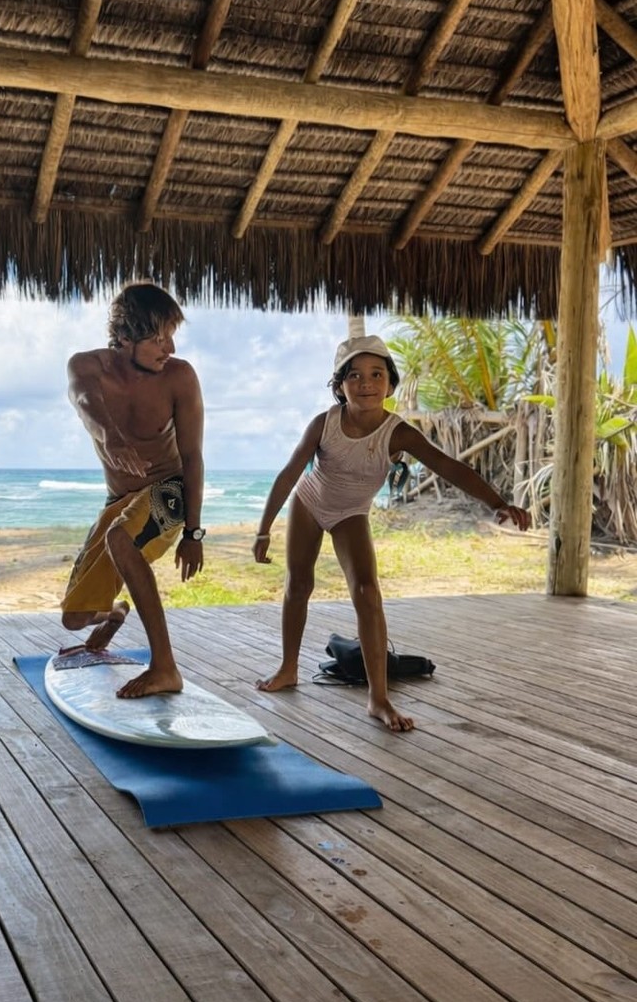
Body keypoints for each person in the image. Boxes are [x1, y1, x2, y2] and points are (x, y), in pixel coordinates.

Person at [252, 335, 530, 731]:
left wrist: (497, 503)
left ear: (390, 383)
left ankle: (378, 697)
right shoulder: (324, 424)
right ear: (340, 385)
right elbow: (289, 475)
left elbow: (449, 466)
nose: (366, 383)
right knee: (298, 585)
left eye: (376, 374)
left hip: (351, 512)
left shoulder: (397, 433)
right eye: (355, 375)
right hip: (310, 503)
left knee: (367, 591)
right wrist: (263, 531)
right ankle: (288, 668)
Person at [61, 281, 205, 698]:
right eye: (159, 339)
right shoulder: (86, 366)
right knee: (75, 616)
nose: (170, 349)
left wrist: (194, 533)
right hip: (119, 499)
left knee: (120, 538)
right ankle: (116, 612)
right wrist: (111, 436)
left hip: (170, 489)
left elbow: (193, 456)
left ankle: (165, 668)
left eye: (172, 336)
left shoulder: (180, 378)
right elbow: (85, 399)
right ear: (125, 337)